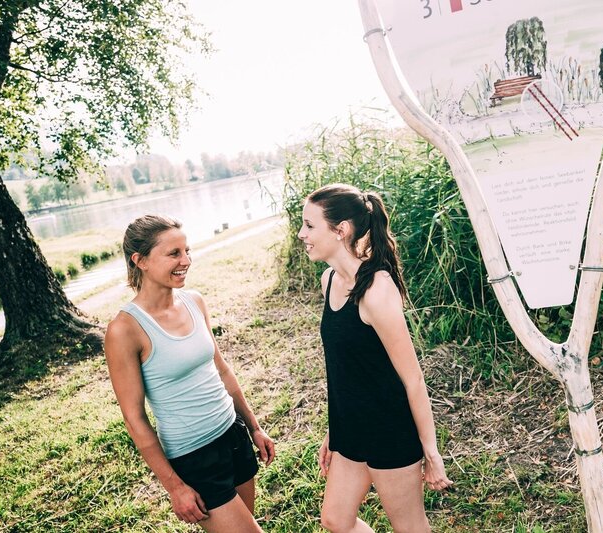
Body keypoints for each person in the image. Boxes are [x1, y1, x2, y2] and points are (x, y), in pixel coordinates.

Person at [297, 184, 453, 532]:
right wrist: (334, 432)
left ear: (340, 230)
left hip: (388, 429)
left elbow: (412, 378)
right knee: (336, 520)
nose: (301, 234)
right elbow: (347, 372)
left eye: (309, 225)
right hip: (350, 429)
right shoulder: (328, 281)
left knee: (410, 527)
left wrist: (431, 450)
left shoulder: (376, 290)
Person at [104, 214, 275, 532]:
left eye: (187, 251)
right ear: (140, 260)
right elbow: (134, 419)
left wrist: (254, 427)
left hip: (233, 433)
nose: (186, 261)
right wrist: (175, 486)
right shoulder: (125, 329)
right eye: (174, 253)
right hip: (194, 456)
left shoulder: (194, 301)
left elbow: (222, 370)